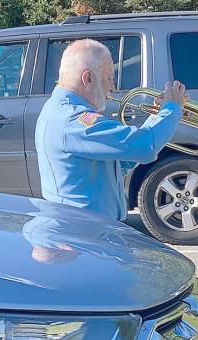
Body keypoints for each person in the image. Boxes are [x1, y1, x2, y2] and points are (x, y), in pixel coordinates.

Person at [35, 39, 186, 222]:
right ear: (88, 78)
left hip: (88, 229)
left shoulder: (62, 111)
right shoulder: (74, 120)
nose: (112, 87)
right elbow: (147, 147)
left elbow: (118, 159)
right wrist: (172, 108)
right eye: (109, 78)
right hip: (86, 233)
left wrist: (157, 116)